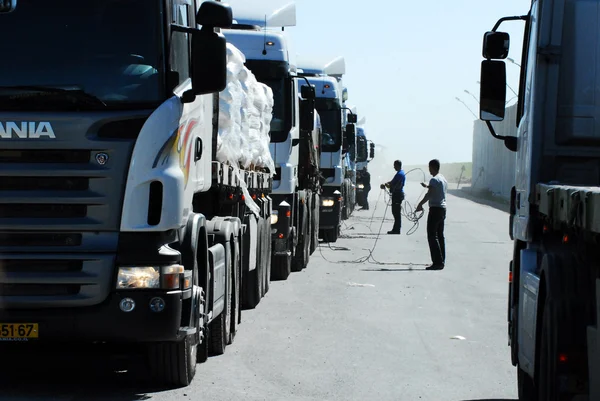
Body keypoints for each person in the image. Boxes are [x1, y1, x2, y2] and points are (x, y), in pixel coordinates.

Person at [416, 159, 448, 270]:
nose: (429, 170)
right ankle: (441, 260)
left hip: (435, 209)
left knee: (432, 235)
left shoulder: (434, 180)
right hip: (442, 209)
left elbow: (429, 194)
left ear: (432, 167)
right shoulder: (442, 178)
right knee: (440, 236)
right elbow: (435, 189)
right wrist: (427, 186)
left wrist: (420, 204)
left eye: (429, 167)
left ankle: (437, 262)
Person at [380, 160, 405, 234]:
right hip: (396, 195)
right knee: (395, 212)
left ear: (398, 165)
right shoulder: (399, 173)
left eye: (395, 165)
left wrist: (387, 186)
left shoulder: (400, 174)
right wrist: (387, 184)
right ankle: (396, 229)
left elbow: (398, 185)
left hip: (397, 195)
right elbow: (392, 182)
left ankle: (396, 230)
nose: (394, 167)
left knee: (396, 213)